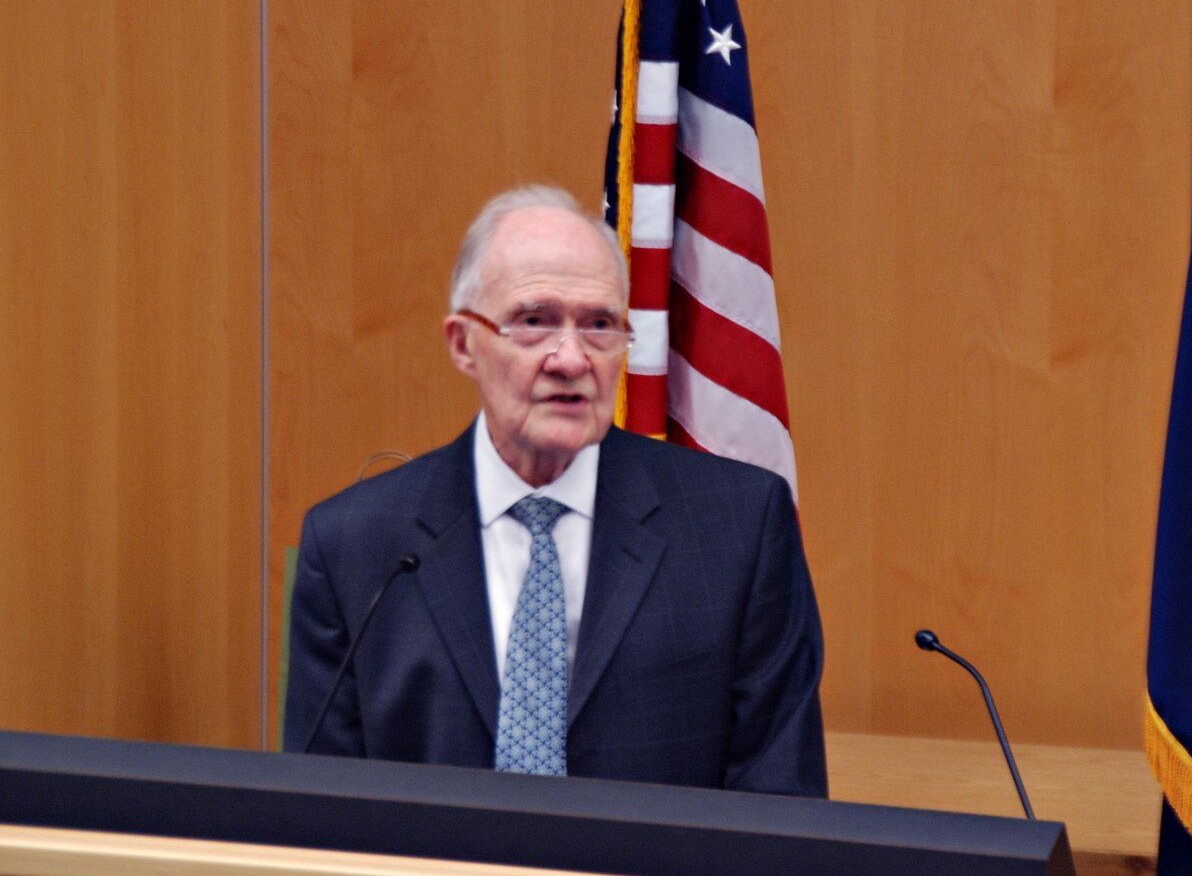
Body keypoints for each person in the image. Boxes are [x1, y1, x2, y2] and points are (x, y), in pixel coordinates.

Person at [283, 185, 826, 797]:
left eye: (599, 325)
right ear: (464, 344)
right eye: (534, 321)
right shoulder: (354, 546)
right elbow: (323, 818)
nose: (570, 358)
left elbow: (782, 806)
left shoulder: (737, 530)